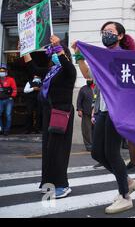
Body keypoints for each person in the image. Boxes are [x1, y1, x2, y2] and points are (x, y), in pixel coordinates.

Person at [72, 21, 135, 214]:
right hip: (102, 109)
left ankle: (125, 196)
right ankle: (127, 181)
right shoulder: (100, 57)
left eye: (110, 31)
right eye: (103, 31)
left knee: (112, 153)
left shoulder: (126, 57)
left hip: (118, 110)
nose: (106, 34)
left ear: (120, 36)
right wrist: (79, 54)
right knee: (97, 153)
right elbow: (88, 75)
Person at [22, 36, 76, 199]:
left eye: (56, 53)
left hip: (62, 112)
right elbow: (33, 69)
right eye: (52, 52)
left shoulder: (69, 70)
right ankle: (49, 183)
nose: (52, 55)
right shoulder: (52, 71)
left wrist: (58, 46)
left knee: (58, 149)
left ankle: (62, 185)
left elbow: (66, 63)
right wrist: (25, 50)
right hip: (48, 111)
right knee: (48, 149)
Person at [77, 79, 95, 151]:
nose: (89, 79)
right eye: (88, 78)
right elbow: (79, 100)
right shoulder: (83, 89)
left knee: (96, 130)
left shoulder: (98, 88)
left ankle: (96, 145)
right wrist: (79, 109)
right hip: (86, 113)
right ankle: (89, 145)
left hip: (96, 113)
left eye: (90, 78)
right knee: (86, 130)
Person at [0, 64, 17, 136]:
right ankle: (1, 129)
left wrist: (12, 97)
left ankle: (6, 130)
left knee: (8, 115)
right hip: (0, 100)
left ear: (6, 72)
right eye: (0, 71)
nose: (2, 72)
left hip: (8, 100)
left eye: (3, 71)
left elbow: (14, 89)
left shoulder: (11, 79)